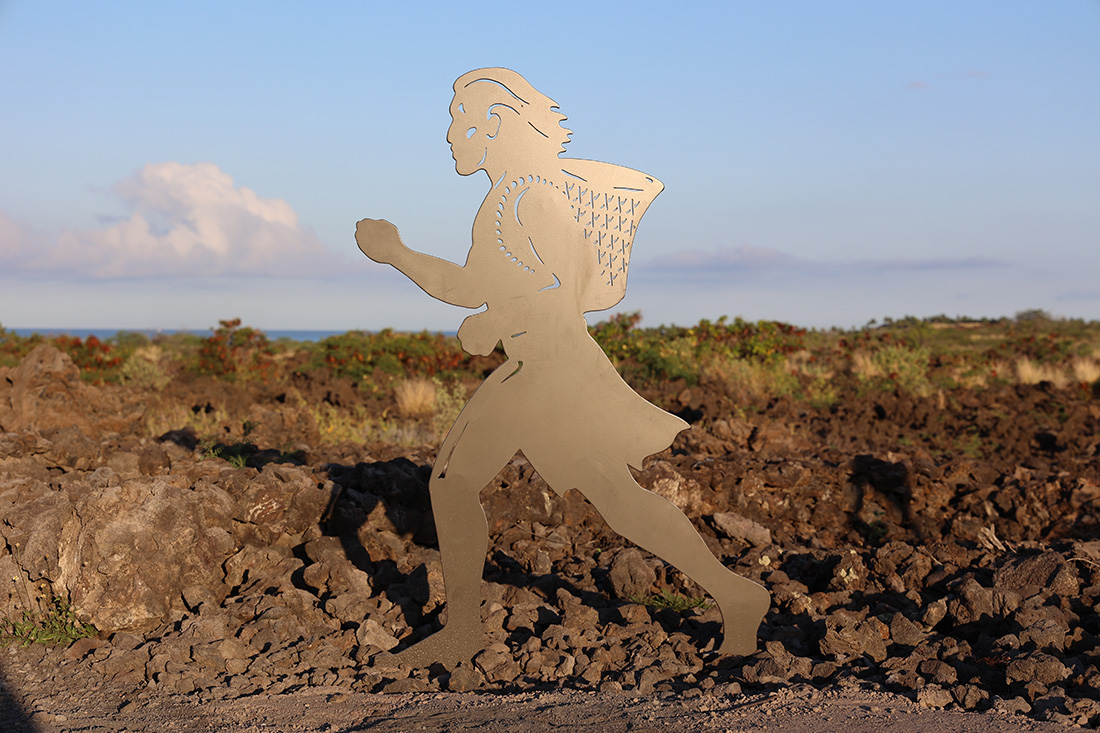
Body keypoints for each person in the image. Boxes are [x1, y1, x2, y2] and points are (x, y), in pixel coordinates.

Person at [356, 68, 769, 667]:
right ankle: (737, 594)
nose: (449, 136)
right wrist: (398, 255)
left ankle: (466, 632)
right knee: (609, 496)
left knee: (456, 482)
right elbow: (472, 284)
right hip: (539, 365)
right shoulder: (505, 199)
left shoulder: (535, 198)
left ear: (494, 124)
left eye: (457, 122)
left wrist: (497, 321)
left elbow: (561, 287)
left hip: (550, 367)